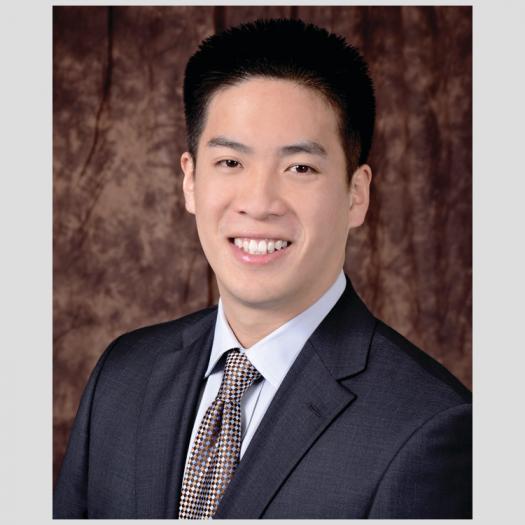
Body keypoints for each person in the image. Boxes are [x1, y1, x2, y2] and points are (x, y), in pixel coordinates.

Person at [53, 18, 472, 519]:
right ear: (190, 181)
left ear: (356, 194)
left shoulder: (429, 427)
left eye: (300, 168)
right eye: (230, 162)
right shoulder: (122, 376)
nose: (259, 202)